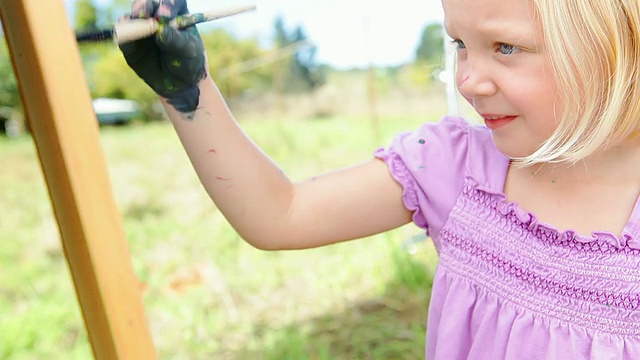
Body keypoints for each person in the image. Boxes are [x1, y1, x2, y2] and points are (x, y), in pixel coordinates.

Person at [120, 0, 640, 358]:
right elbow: (281, 215)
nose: (467, 79)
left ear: (614, 44)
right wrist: (187, 90)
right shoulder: (456, 169)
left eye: (505, 47)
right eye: (460, 43)